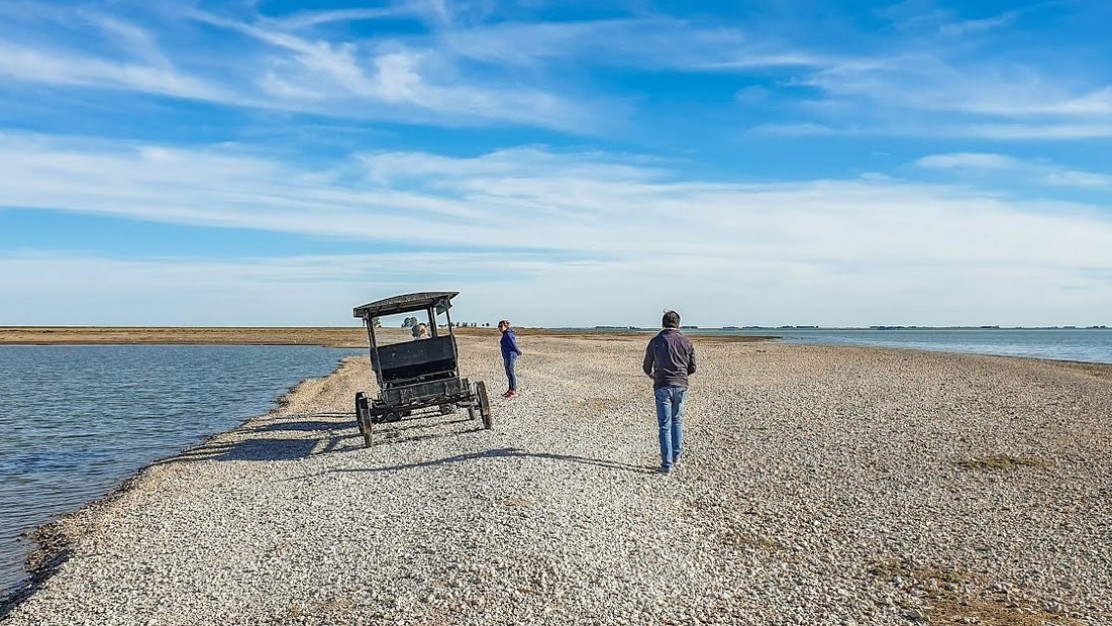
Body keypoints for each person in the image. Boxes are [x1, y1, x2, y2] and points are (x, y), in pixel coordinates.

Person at [642, 310, 696, 474]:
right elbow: (692, 368)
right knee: (677, 421)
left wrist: (653, 376)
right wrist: (681, 376)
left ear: (663, 324)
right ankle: (676, 458)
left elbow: (646, 366)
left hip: (662, 385)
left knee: (665, 426)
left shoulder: (655, 341)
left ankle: (667, 465)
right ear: (678, 324)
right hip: (680, 386)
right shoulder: (686, 342)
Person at [498, 320, 523, 398]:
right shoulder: (505, 334)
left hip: (510, 355)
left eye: (501, 326)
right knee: (508, 373)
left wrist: (517, 351)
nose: (499, 328)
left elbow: (513, 344)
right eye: (498, 327)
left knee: (511, 372)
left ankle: (513, 391)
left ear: (506, 326)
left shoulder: (508, 334)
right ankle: (510, 390)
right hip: (507, 355)